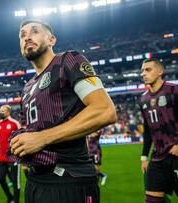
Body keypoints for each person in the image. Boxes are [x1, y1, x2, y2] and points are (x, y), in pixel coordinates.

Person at [9, 20, 117, 203]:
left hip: (69, 179)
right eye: (22, 35)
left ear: (51, 39)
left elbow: (104, 110)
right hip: (35, 181)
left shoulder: (69, 60)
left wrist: (42, 138)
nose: (27, 37)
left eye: (34, 32)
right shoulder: (27, 87)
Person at [139, 59, 178, 203]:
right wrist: (144, 156)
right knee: (151, 200)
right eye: (142, 70)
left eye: (148, 70)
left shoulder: (176, 91)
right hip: (156, 159)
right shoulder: (143, 99)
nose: (143, 74)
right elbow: (148, 129)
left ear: (160, 71)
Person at [0, 105, 21, 203]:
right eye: (0, 111)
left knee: (15, 182)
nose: (1, 112)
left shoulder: (15, 123)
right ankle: (10, 197)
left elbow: (20, 138)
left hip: (13, 157)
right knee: (1, 179)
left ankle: (16, 201)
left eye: (3, 111)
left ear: (8, 112)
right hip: (2, 158)